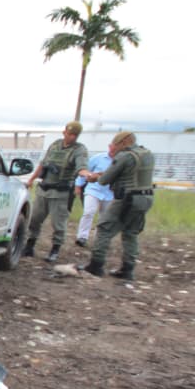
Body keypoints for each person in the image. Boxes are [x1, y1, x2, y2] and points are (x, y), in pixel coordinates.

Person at [82, 130, 155, 280]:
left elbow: (105, 180)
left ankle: (96, 265)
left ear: (123, 142)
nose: (114, 148)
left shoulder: (125, 156)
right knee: (131, 233)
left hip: (127, 199)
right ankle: (128, 270)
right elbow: (129, 173)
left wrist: (94, 177)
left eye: (116, 144)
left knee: (104, 228)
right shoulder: (147, 154)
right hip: (146, 198)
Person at [24, 120, 89, 262]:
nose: (71, 137)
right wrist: (31, 179)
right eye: (69, 134)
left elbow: (81, 167)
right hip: (44, 189)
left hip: (61, 193)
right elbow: (43, 164)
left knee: (58, 224)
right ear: (64, 132)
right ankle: (30, 245)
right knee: (34, 219)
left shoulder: (79, 150)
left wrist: (86, 174)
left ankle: (55, 249)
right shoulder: (55, 145)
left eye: (75, 135)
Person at [74, 141, 116, 247]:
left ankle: (99, 239)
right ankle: (82, 237)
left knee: (105, 217)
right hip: (94, 189)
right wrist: (78, 185)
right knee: (88, 212)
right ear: (109, 146)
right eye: (112, 146)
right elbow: (85, 171)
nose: (113, 149)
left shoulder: (119, 161)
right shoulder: (98, 158)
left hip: (110, 192)